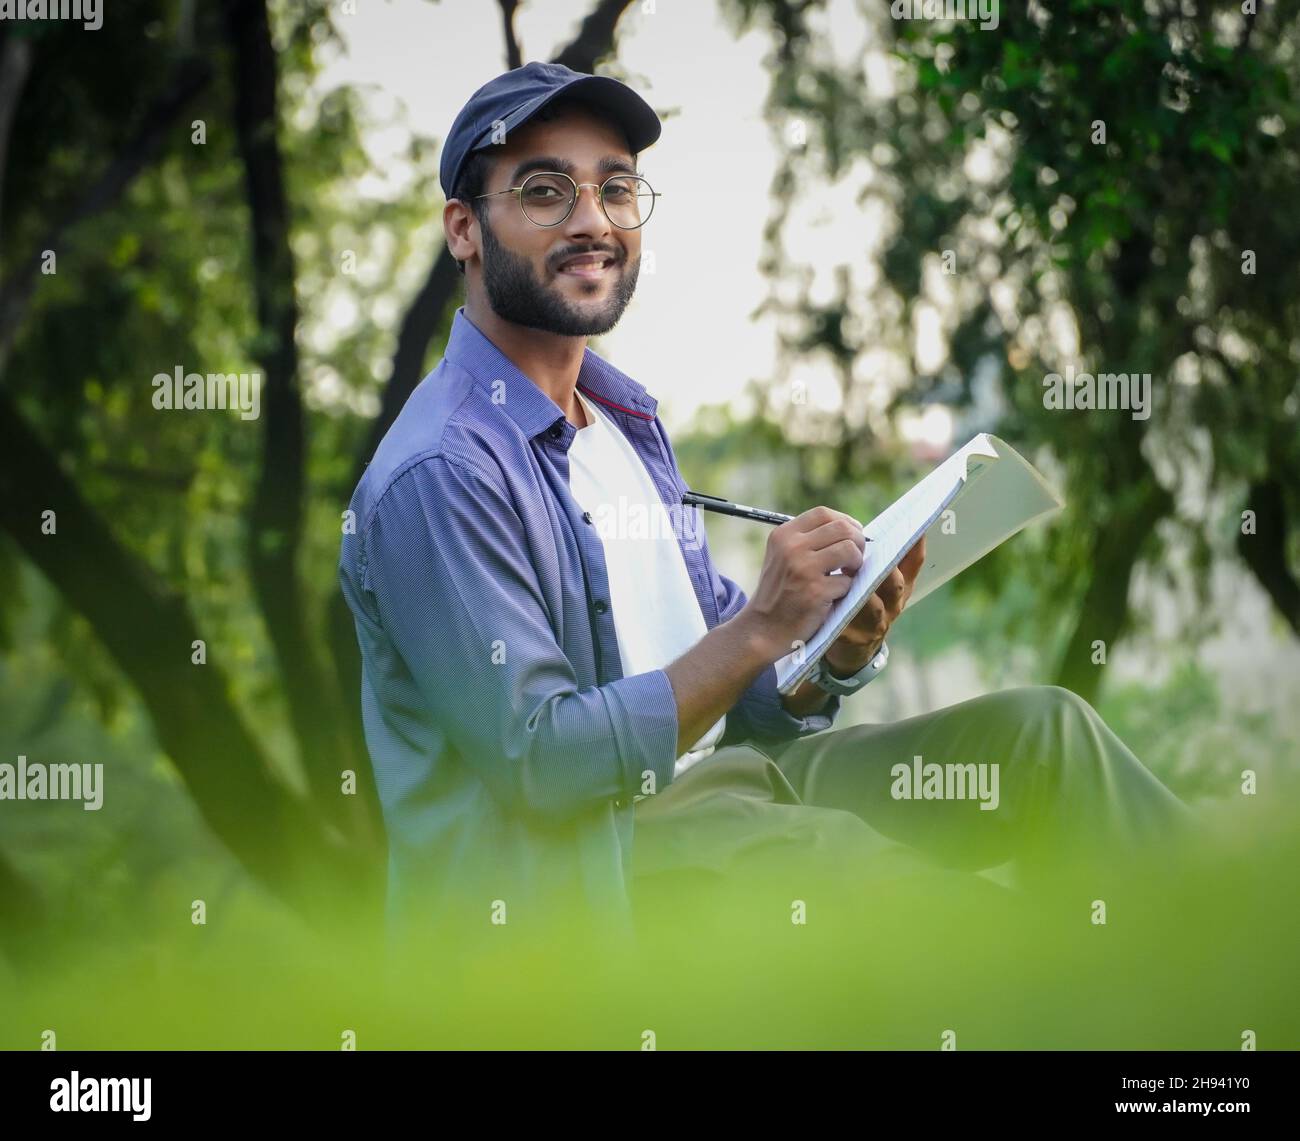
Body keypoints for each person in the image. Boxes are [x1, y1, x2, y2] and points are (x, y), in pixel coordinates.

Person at [338, 62, 1195, 947]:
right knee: (963, 925)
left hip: (739, 783)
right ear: (464, 229)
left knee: (1045, 740)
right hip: (609, 869)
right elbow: (544, 762)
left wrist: (823, 650)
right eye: (546, 191)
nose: (592, 221)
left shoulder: (625, 426)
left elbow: (734, 698)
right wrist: (755, 628)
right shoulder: (442, 472)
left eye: (616, 188)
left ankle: (1240, 971)